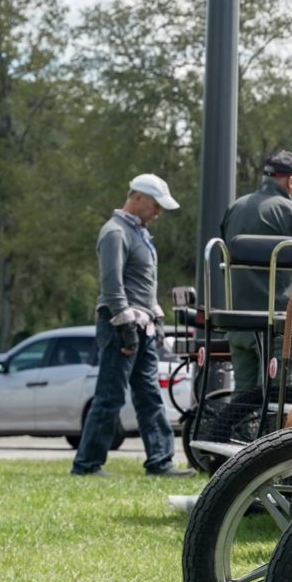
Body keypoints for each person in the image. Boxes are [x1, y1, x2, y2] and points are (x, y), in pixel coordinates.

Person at [73, 174, 191, 478]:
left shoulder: (140, 233)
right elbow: (112, 286)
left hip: (144, 326)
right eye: (155, 205)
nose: (159, 212)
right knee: (110, 395)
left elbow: (144, 287)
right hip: (120, 324)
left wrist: (156, 320)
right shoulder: (115, 232)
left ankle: (160, 462)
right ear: (137, 198)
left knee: (149, 394)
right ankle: (86, 465)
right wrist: (125, 326)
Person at [220, 150, 292, 417]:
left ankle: (234, 443)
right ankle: (271, 453)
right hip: (278, 322)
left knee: (243, 394)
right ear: (290, 180)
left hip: (239, 320)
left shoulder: (235, 207)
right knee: (275, 398)